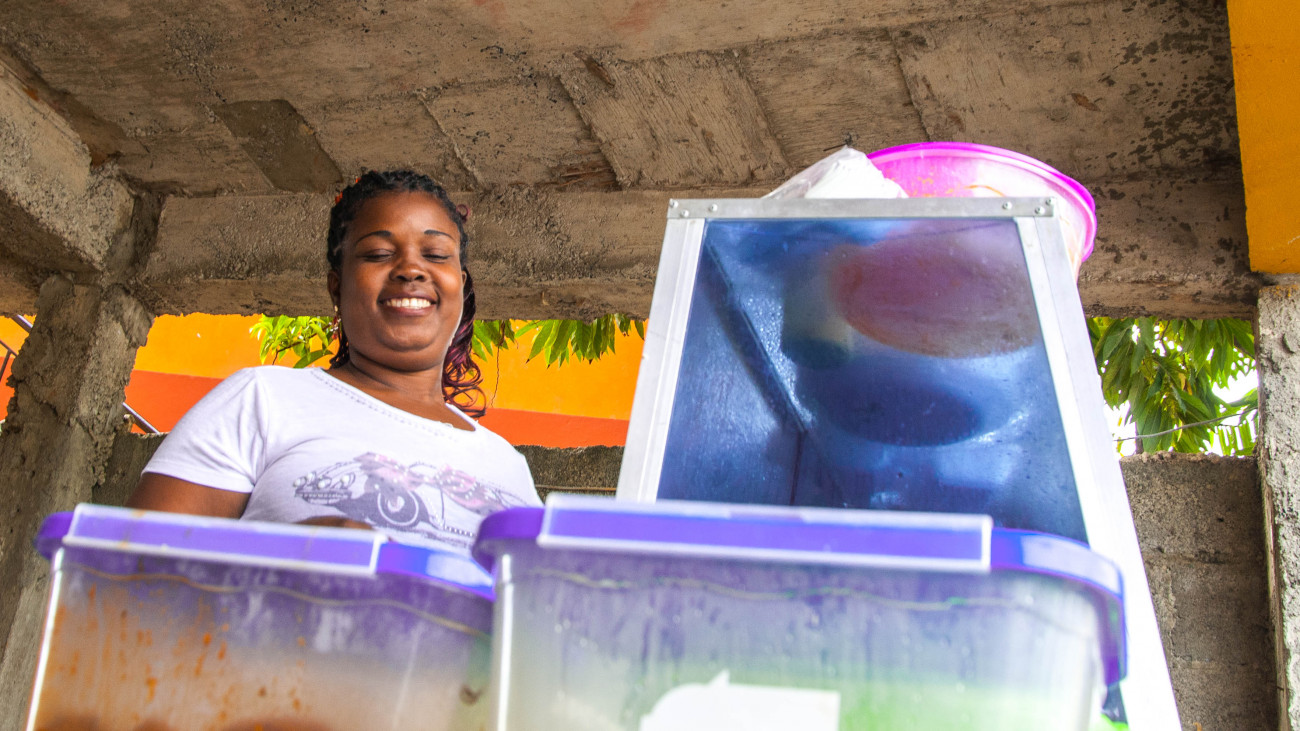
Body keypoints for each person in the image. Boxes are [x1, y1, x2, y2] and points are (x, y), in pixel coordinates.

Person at [127, 170, 541, 554]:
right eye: (378, 253)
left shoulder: (509, 466)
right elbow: (129, 571)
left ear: (460, 287)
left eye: (435, 254)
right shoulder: (263, 400)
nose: (412, 269)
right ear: (336, 287)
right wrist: (288, 553)